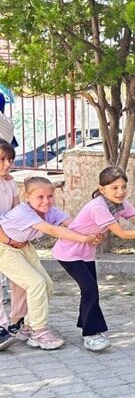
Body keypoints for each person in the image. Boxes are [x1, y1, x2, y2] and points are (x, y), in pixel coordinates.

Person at [52, 167, 135, 351]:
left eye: (123, 187)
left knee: (89, 289)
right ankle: (90, 334)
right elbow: (122, 234)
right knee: (90, 289)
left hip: (86, 252)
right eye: (114, 188)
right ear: (102, 189)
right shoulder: (99, 206)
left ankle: (86, 325)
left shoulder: (120, 204)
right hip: (68, 251)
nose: (120, 192)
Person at [0, 177, 102, 350]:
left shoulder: (51, 211)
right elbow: (53, 230)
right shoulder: (24, 212)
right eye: (40, 197)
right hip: (4, 247)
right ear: (27, 197)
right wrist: (84, 239)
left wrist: (95, 232)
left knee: (47, 285)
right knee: (36, 283)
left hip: (23, 246)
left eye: (50, 196)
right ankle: (39, 332)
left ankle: (29, 327)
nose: (46, 201)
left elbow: (73, 225)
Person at [0, 140, 26, 350]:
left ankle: (16, 321)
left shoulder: (10, 182)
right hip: (4, 238)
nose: (7, 164)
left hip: (10, 237)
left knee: (21, 279)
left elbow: (17, 211)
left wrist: (20, 236)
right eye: (2, 159)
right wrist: (8, 240)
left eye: (9, 159)